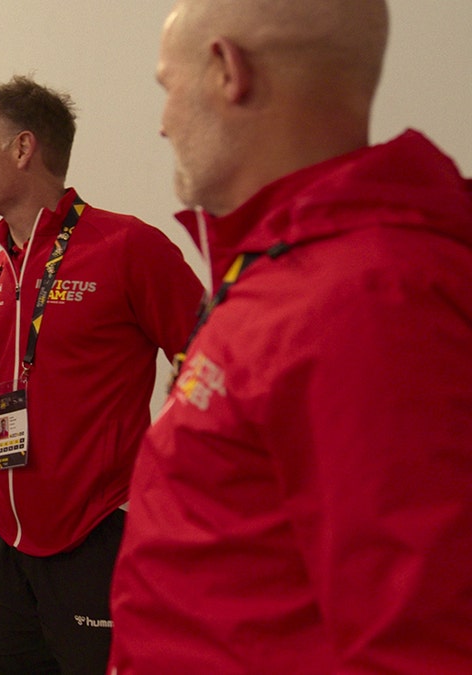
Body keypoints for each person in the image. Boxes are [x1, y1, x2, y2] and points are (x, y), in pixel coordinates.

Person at [109, 1, 472, 672]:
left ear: (227, 70)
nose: (161, 123)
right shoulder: (289, 270)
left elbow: (425, 644)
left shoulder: (369, 301)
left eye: (167, 87)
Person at [0, 76, 204, 674]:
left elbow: (211, 358)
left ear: (23, 148)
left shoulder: (129, 247)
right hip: (3, 542)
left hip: (98, 535)